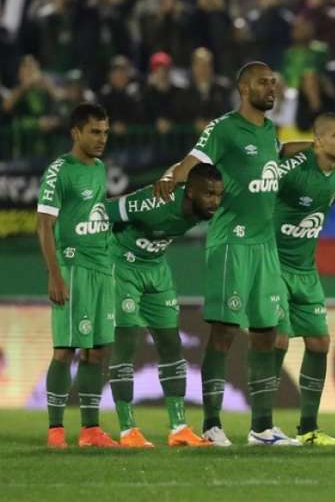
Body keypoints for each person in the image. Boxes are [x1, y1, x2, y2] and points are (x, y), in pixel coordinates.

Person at [154, 61, 310, 447]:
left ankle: (262, 428)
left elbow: (278, 151)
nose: (271, 88)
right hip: (231, 244)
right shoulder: (224, 128)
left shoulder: (269, 129)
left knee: (266, 335)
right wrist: (171, 176)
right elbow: (195, 159)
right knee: (224, 332)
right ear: (244, 88)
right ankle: (211, 424)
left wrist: (319, 146)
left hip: (264, 246)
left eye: (274, 82)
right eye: (263, 83)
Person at [106, 163, 224, 448]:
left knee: (172, 344)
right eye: (208, 194)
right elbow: (104, 211)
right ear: (190, 192)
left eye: (218, 195)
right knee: (127, 341)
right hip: (122, 266)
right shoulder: (155, 200)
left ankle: (179, 428)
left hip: (157, 269)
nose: (215, 201)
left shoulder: (202, 206)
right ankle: (127, 431)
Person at [37, 103, 117, 448]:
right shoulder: (59, 170)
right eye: (94, 132)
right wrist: (55, 276)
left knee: (97, 352)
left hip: (101, 269)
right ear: (76, 133)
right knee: (65, 351)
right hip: (73, 269)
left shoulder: (99, 169)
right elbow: (44, 225)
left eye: (105, 132)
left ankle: (90, 430)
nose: (101, 139)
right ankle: (56, 430)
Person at [272, 113, 335, 446]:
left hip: (305, 269)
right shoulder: (293, 170)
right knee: (276, 341)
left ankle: (307, 429)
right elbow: (266, 171)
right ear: (318, 141)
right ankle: (260, 424)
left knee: (319, 343)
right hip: (273, 264)